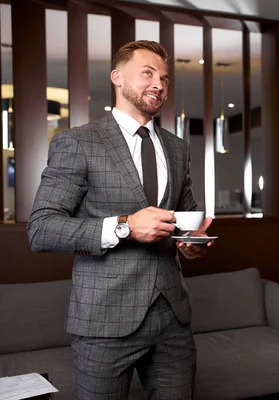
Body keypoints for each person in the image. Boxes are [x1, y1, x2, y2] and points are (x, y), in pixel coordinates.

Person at [27, 40, 212, 399]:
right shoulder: (78, 143)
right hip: (103, 320)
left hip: (173, 316)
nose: (159, 83)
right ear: (116, 77)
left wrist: (192, 243)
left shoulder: (178, 148)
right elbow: (42, 228)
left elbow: (184, 219)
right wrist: (125, 226)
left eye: (164, 77)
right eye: (147, 73)